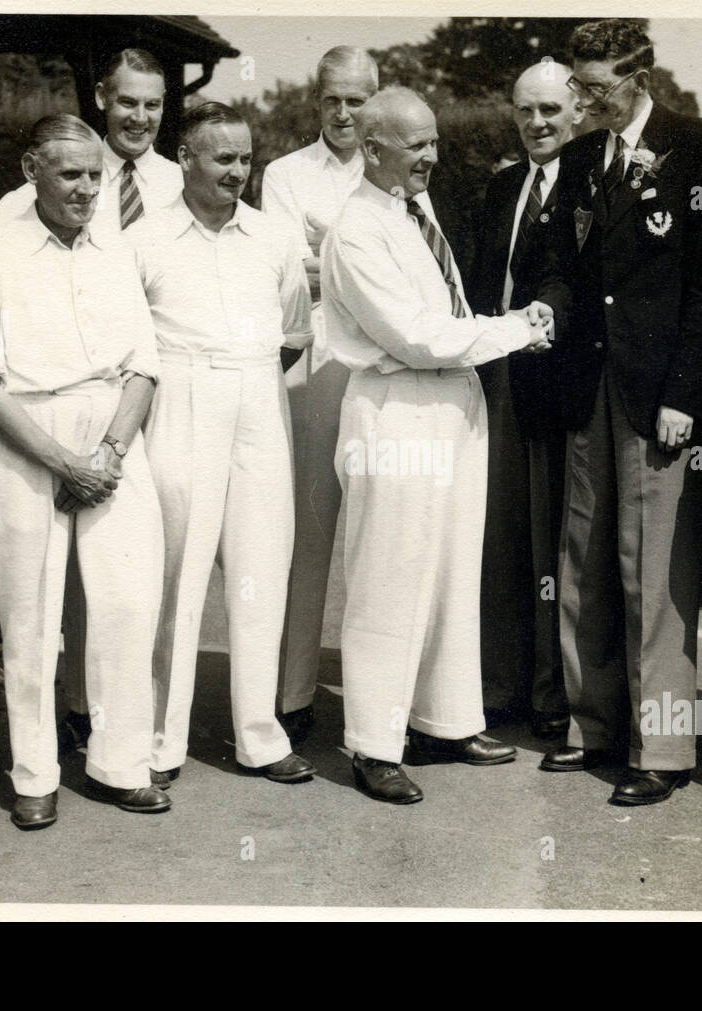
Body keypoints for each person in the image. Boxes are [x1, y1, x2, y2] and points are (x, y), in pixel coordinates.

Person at [320, 87, 552, 804]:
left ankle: (444, 721)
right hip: (397, 411)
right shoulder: (356, 229)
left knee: (452, 570)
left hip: (451, 405)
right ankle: (374, 743)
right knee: (389, 577)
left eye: (435, 142)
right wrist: (514, 328)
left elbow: (443, 317)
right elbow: (414, 335)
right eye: (416, 144)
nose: (431, 156)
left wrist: (501, 327)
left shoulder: (414, 212)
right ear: (372, 148)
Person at [0, 48, 182, 754]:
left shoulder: (117, 255)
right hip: (27, 438)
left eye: (93, 176)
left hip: (113, 437)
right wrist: (63, 462)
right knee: (30, 618)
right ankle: (34, 773)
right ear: (32, 171)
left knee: (127, 604)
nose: (86, 189)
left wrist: (107, 454)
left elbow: (144, 366)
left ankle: (121, 761)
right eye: (70, 175)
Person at [534, 19, 702, 803]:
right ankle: (592, 724)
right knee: (584, 560)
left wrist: (685, 392)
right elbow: (561, 261)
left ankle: (662, 748)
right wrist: (547, 307)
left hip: (658, 396)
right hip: (591, 385)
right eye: (578, 85)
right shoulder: (582, 157)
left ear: (641, 77)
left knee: (652, 567)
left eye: (598, 87)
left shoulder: (700, 147)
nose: (585, 101)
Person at [131, 103, 316, 786]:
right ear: (186, 158)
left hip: (260, 397)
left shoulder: (273, 238)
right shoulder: (144, 240)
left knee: (261, 567)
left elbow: (293, 334)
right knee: (174, 574)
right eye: (223, 158)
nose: (238, 172)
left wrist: (249, 384)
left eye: (245, 159)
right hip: (180, 396)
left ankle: (259, 737)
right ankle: (159, 741)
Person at [261, 46, 424, 747]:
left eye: (357, 99)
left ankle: (386, 707)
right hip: (319, 370)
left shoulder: (404, 170)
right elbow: (288, 275)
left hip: (389, 375)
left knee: (387, 539)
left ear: (375, 100)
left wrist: (333, 253)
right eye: (332, 98)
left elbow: (417, 275)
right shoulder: (286, 175)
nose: (343, 112)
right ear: (317, 101)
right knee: (310, 533)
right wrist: (354, 262)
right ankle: (292, 694)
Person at [464, 61, 583, 739]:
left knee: (553, 544)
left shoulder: (592, 184)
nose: (537, 123)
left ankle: (552, 692)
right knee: (499, 536)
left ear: (577, 112)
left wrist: (549, 318)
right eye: (525, 110)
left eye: (550, 110)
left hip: (561, 380)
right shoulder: (504, 186)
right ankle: (498, 684)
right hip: (498, 376)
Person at [0, 48, 181, 242]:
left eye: (152, 105)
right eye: (128, 102)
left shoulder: (181, 182)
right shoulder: (67, 172)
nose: (140, 118)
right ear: (102, 97)